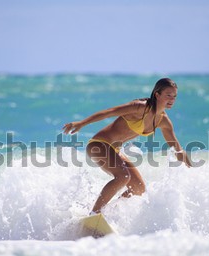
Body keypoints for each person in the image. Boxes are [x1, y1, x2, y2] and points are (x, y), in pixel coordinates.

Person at [63, 78, 192, 215]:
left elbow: (177, 149)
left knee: (139, 188)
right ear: (157, 94)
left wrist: (192, 170)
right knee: (123, 176)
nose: (172, 99)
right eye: (168, 95)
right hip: (99, 145)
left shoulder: (163, 121)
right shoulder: (140, 107)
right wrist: (82, 123)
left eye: (174, 96)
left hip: (115, 150)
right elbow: (109, 112)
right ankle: (95, 213)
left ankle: (108, 213)